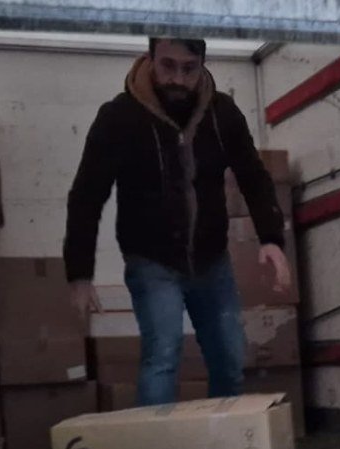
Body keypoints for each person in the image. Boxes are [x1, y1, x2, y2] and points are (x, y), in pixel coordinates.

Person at [64, 37, 291, 405]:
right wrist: (79, 272)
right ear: (151, 58)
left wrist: (271, 239)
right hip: (152, 260)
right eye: (168, 66)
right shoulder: (119, 117)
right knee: (163, 358)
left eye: (189, 69)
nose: (178, 79)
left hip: (211, 260)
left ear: (202, 65)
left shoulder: (222, 114)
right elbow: (87, 193)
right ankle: (158, 444)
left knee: (229, 357)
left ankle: (224, 437)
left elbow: (253, 176)